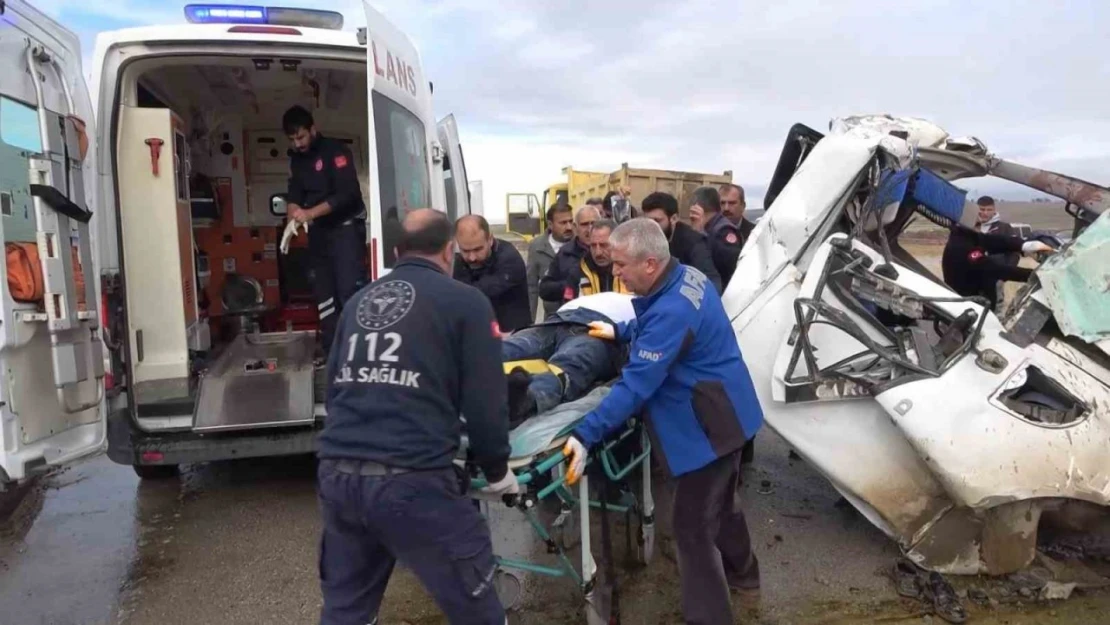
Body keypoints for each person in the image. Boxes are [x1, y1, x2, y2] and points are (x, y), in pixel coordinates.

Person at [316, 208, 517, 625]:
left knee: (347, 612)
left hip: (338, 475)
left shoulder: (359, 302)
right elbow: (485, 397)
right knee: (477, 609)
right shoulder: (465, 302)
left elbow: (333, 388)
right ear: (449, 252)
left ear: (395, 251)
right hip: (414, 480)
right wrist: (498, 470)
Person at [562, 218, 763, 625]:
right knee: (723, 507)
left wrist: (585, 433)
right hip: (730, 413)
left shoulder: (671, 307)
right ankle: (746, 576)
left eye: (620, 265)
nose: (613, 271)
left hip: (708, 429)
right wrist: (620, 329)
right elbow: (656, 321)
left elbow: (635, 385)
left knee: (691, 531)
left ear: (650, 263)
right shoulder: (684, 275)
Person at [283, 105, 368, 361]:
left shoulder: (336, 152)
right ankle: (332, 352)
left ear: (312, 129)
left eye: (301, 137)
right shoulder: (297, 160)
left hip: (345, 232)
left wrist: (309, 214)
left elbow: (348, 194)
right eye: (292, 139)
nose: (298, 144)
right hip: (320, 235)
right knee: (324, 295)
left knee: (348, 292)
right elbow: (294, 194)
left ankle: (357, 354)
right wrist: (292, 216)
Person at [503, 292, 636, 425]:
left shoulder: (645, 310)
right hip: (565, 321)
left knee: (562, 362)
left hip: (580, 326)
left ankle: (521, 399)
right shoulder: (642, 306)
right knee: (567, 365)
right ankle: (522, 398)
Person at [941, 222, 1053, 311]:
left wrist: (1024, 245)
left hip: (975, 306)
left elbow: (995, 241)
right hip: (969, 308)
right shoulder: (963, 248)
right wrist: (1033, 275)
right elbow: (996, 270)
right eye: (978, 225)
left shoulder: (966, 237)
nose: (981, 228)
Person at [453, 214, 532, 333]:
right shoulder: (459, 260)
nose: (472, 257)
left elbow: (476, 293)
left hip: (513, 335)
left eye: (478, 249)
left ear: (490, 240)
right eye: (465, 250)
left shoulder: (508, 258)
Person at [641, 191, 723, 293]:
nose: (651, 227)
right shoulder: (647, 238)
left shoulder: (693, 243)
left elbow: (712, 283)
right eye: (648, 222)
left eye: (657, 221)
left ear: (674, 219)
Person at [538, 204, 599, 306]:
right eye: (584, 224)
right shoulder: (565, 253)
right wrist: (570, 286)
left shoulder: (612, 251)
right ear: (575, 227)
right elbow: (545, 289)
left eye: (594, 223)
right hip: (574, 316)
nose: (590, 229)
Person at [688, 185, 743, 288]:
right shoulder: (710, 228)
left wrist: (699, 235)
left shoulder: (723, 231)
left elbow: (729, 272)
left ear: (697, 206)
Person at [527, 204, 575, 320]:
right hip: (551, 317)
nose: (569, 227)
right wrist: (529, 323)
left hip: (577, 314)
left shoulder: (578, 244)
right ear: (550, 224)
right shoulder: (537, 247)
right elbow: (531, 288)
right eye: (563, 223)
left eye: (570, 221)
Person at [973, 196, 1020, 308]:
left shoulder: (1005, 228)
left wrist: (1003, 276)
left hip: (995, 280)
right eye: (982, 209)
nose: (985, 213)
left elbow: (1015, 254)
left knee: (995, 312)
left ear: (994, 210)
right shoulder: (969, 227)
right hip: (972, 279)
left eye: (989, 210)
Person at [570, 219, 633, 298]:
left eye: (604, 245)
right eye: (593, 245)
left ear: (617, 243)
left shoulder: (632, 270)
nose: (598, 252)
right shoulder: (577, 272)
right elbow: (569, 307)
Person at [719, 183, 756, 247]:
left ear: (743, 206)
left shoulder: (755, 234)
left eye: (732, 203)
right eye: (722, 203)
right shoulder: (708, 233)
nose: (726, 208)